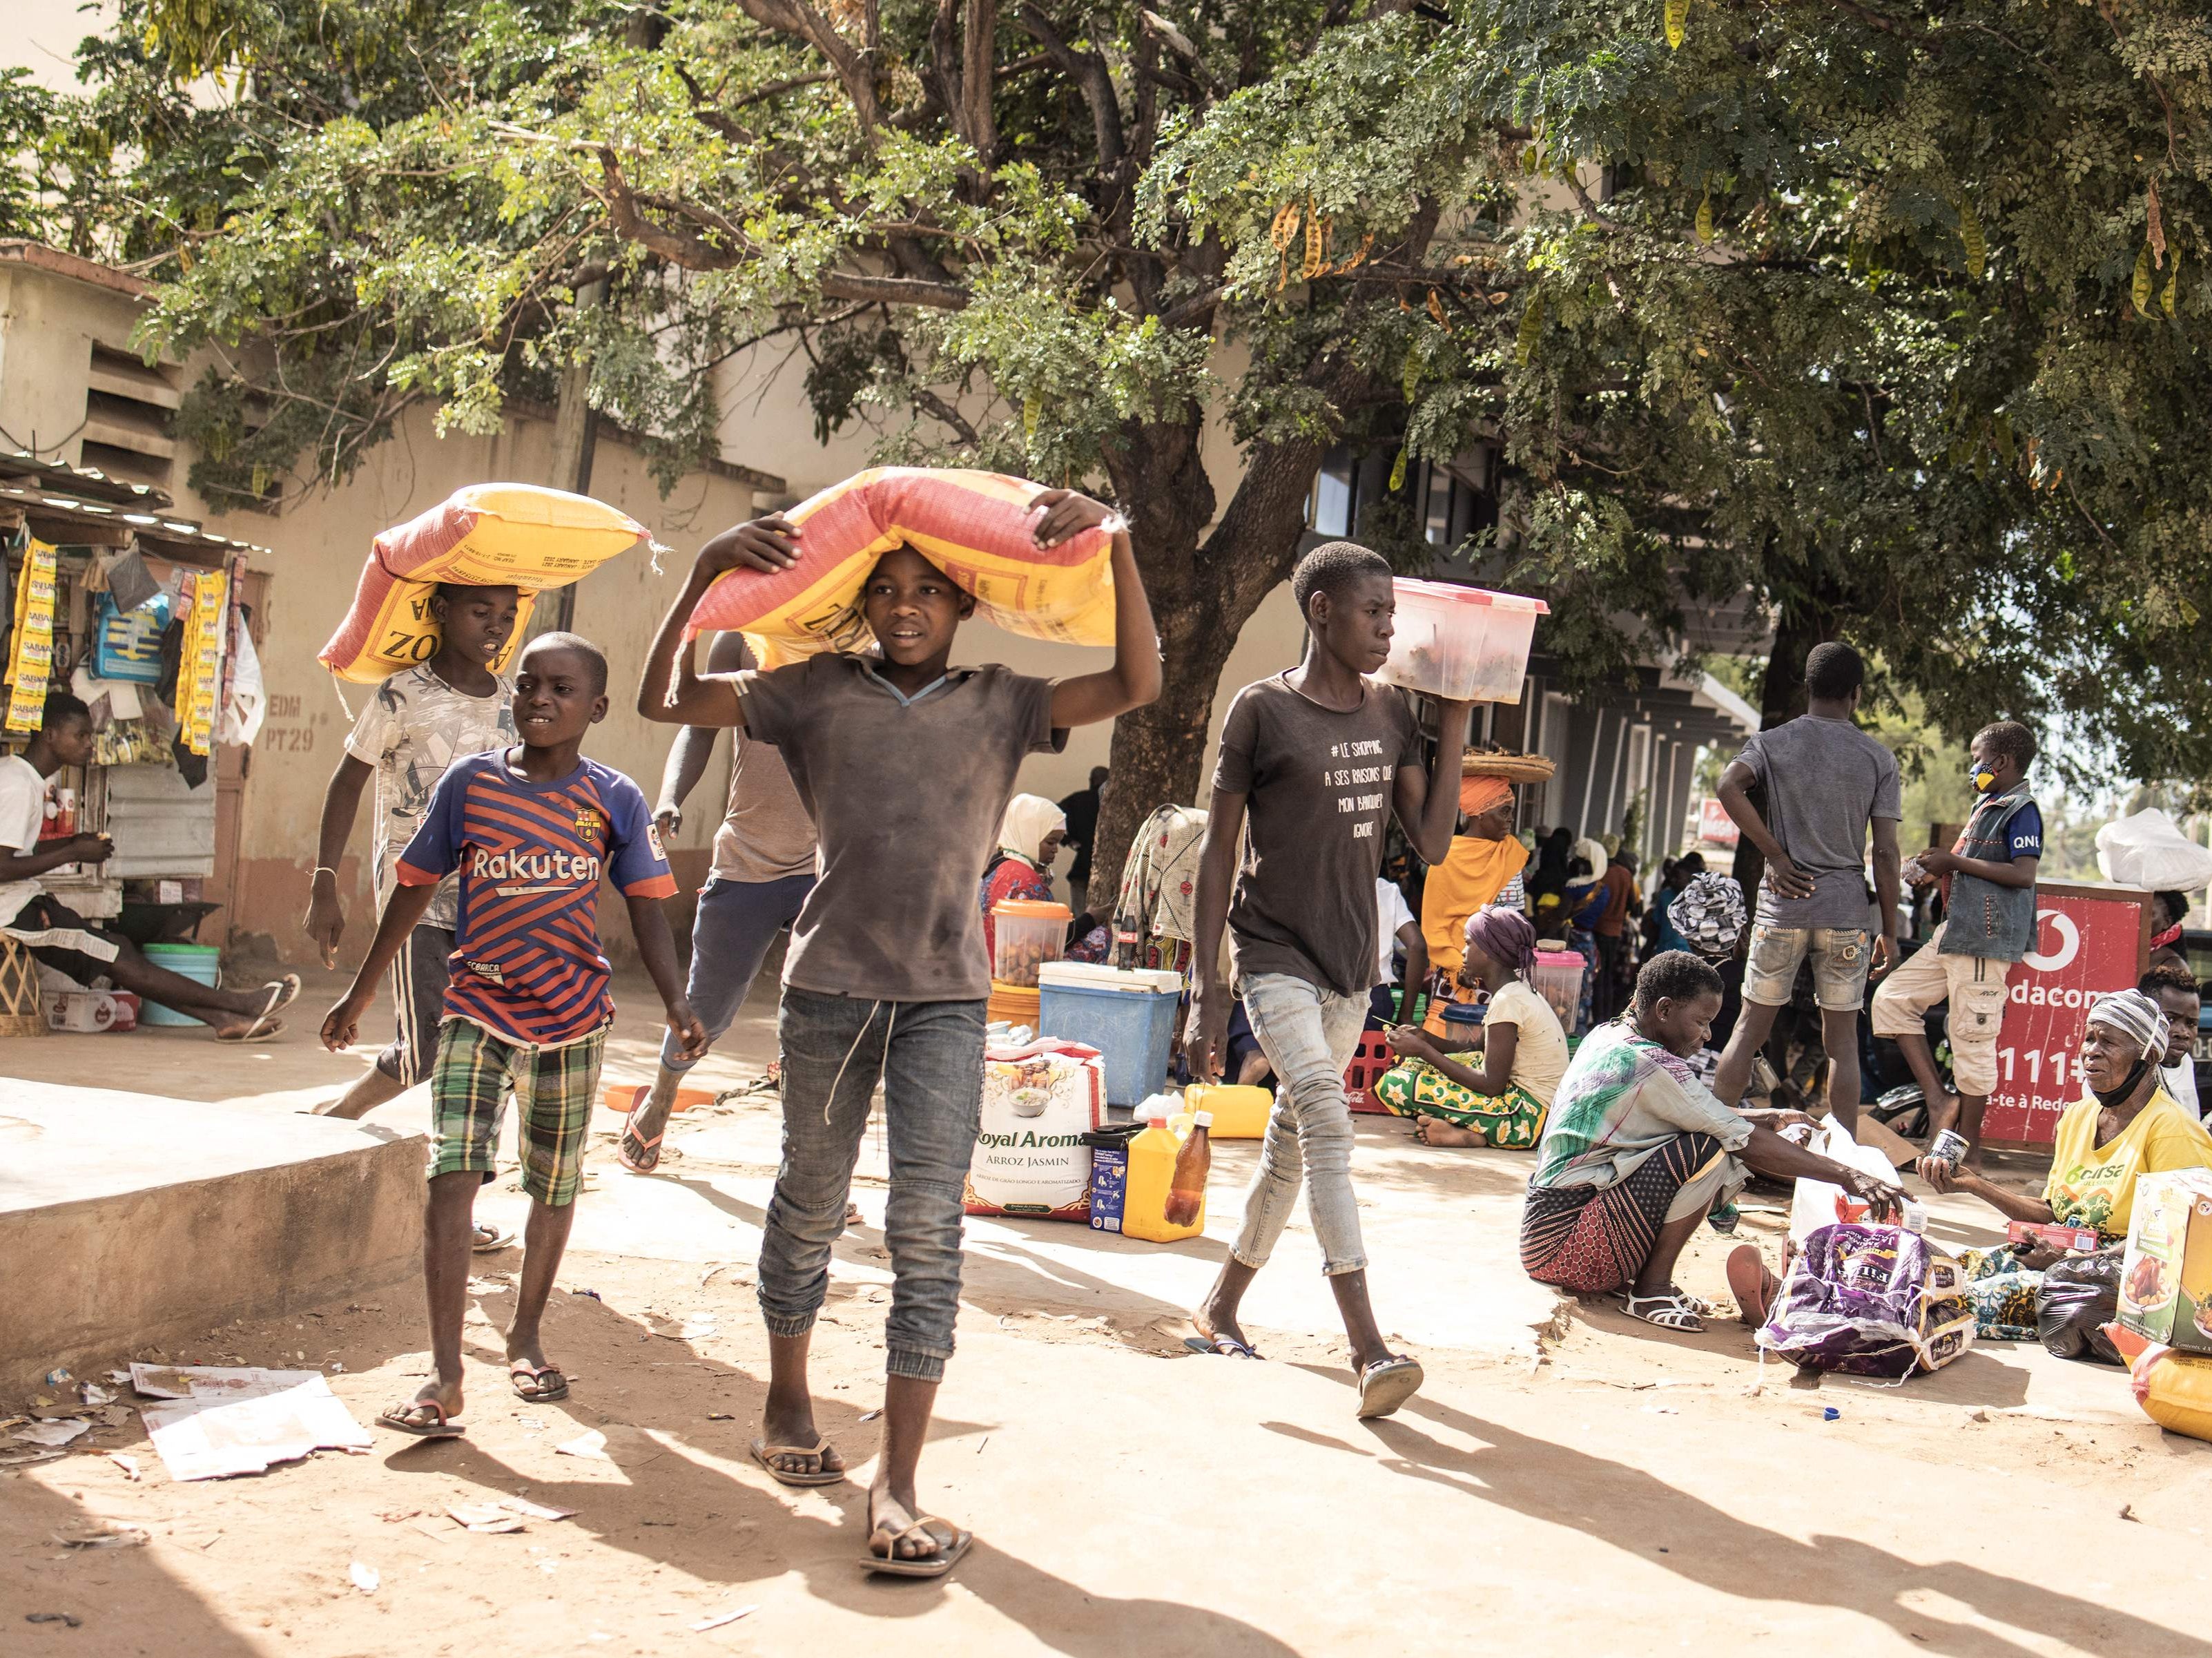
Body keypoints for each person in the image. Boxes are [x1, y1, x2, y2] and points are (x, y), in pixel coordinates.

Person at [636, 488, 1158, 1576]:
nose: (907, 606)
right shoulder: (815, 690)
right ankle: (788, 1403)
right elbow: (666, 703)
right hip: (829, 988)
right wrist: (702, 579)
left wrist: (1115, 541)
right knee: (811, 1200)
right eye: (888, 589)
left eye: (927, 590)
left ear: (963, 600)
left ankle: (899, 1479)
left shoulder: (1005, 700)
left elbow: (1137, 681)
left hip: (948, 1001)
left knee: (928, 1231)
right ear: (861, 600)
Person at [321, 633, 706, 1436]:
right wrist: (361, 993)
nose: (538, 699)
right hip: (476, 1005)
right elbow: (414, 889)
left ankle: (526, 1333)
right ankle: (446, 1373)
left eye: (561, 689)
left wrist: (678, 1002)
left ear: (595, 708)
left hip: (571, 1017)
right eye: (528, 684)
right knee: (451, 1176)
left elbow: (646, 906)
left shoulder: (617, 798)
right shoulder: (470, 785)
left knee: (552, 1185)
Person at [1183, 539, 1474, 1416]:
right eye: (1372, 611)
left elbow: (1427, 844)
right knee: (1326, 1119)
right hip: (1272, 953)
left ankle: (1220, 1304)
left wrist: (1453, 719)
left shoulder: (1393, 714)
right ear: (1321, 611)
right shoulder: (1260, 712)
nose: (1388, 626)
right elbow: (1219, 851)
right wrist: (1210, 987)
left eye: (1392, 612)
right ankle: (1369, 1346)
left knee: (1288, 1150)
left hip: (1352, 967)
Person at [1522, 951, 1901, 1333]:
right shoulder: (1651, 1063)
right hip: (1568, 1248)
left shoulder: (1609, 1034)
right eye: (1702, 1022)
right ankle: (1651, 1290)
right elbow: (1739, 1138)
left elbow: (1697, 1111)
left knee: (1706, 1138)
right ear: (1665, 1009)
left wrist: (1770, 1116)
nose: (1706, 1035)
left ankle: (1644, 1281)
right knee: (1708, 1150)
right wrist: (1849, 1177)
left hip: (1544, 1235)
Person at [304, 583, 521, 1119]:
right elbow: (346, 782)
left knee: (497, 1035)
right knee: (425, 1043)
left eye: (508, 615)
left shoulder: (515, 703)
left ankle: (461, 1150)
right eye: (482, 612)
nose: (496, 626)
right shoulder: (401, 695)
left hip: (492, 899)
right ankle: (340, 1116)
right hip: (414, 898)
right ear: (443, 612)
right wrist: (324, 880)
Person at [617, 631, 819, 1175]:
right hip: (747, 858)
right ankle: (659, 1101)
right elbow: (700, 726)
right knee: (705, 1010)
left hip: (825, 865)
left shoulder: (857, 641)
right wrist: (669, 799)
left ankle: (816, 1168)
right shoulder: (745, 639)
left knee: (825, 1015)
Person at [1917, 989, 2212, 1339]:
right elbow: (2052, 1212)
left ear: (2146, 1055)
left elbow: (2179, 1243)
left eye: (2108, 1042)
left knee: (1952, 1302)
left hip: (2117, 1279)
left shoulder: (2173, 1130)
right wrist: (1973, 1184)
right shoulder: (2078, 1115)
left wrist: (2072, 1263)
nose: (2092, 1051)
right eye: (2089, 1038)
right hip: (2065, 1258)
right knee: (1937, 1269)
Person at [1, 692, 298, 1039]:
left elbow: (17, 851)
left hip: (22, 901)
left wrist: (72, 844)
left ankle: (225, 1018)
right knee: (118, 954)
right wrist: (71, 853)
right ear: (49, 735)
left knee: (120, 953)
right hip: (11, 908)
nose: (89, 744)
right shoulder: (17, 785)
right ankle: (238, 1006)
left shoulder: (23, 779)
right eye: (80, 735)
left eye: (90, 736)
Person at [1711, 643, 1902, 1134]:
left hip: (1782, 909)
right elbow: (1884, 852)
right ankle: (1843, 1162)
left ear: (1808, 688)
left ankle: (1705, 1143)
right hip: (1845, 914)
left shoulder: (1772, 743)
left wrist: (1774, 854)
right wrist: (1891, 931)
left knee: (1749, 1030)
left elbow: (1728, 785)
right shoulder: (1877, 758)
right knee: (1841, 1043)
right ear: (1856, 695)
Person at [1872, 720, 2043, 1164]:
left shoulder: (2021, 809)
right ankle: (1938, 1100)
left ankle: (1969, 1150)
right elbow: (1974, 865)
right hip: (1955, 931)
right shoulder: (1987, 804)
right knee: (1891, 999)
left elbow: (2023, 875)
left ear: (2001, 761)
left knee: (1973, 1041)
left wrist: (1954, 862)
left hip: (1983, 942)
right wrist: (1939, 868)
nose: (1974, 766)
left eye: (1977, 758)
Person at [1377, 906, 1568, 1148]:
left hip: (1529, 1118)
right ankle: (1468, 1130)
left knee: (1397, 1084)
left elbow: (1491, 1085)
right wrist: (1426, 1039)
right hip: (1539, 1108)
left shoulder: (1507, 1001)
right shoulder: (1513, 992)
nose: (1463, 951)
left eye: (1469, 943)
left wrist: (1424, 1051)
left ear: (1489, 951)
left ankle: (1473, 1134)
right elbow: (1477, 1050)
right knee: (1416, 1066)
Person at [1417, 769, 1527, 989]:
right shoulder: (1445, 859)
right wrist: (1460, 966)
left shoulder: (1510, 853)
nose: (1511, 819)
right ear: (1480, 812)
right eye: (1505, 811)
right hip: (1460, 973)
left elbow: (1518, 917)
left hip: (1507, 973)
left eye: (1511, 812)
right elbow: (1434, 927)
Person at [979, 793, 1067, 964]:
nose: (1055, 850)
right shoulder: (1025, 879)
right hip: (1012, 968)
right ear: (1029, 835)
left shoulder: (997, 863)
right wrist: (1090, 920)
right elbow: (1041, 941)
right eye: (1050, 842)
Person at [2141, 961, 2202, 1117]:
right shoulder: (2120, 1073)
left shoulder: (2185, 1062)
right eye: (2170, 1020)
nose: (2183, 1033)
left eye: (2191, 1023)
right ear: (2144, 1016)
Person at [1591, 848, 1641, 1024]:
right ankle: (1607, 1018)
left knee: (1598, 976)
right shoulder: (1626, 875)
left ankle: (1598, 1019)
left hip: (1599, 929)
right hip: (1616, 931)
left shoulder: (1604, 873)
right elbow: (1634, 908)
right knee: (1608, 977)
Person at [1372, 874, 1427, 1028]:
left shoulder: (1319, 884)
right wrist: (1406, 1016)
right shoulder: (1385, 889)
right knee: (1371, 1050)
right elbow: (1417, 946)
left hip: (1325, 992)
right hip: (1376, 998)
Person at [1058, 764, 1109, 914]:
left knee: (1081, 918)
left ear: (1091, 780)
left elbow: (1054, 816)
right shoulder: (1114, 803)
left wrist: (1069, 840)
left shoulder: (1078, 800)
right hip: (1107, 869)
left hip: (1082, 866)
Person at [2148, 889, 2192, 974]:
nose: (2138, 917)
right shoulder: (2126, 952)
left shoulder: (2173, 966)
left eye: (2149, 914)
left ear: (2167, 923)